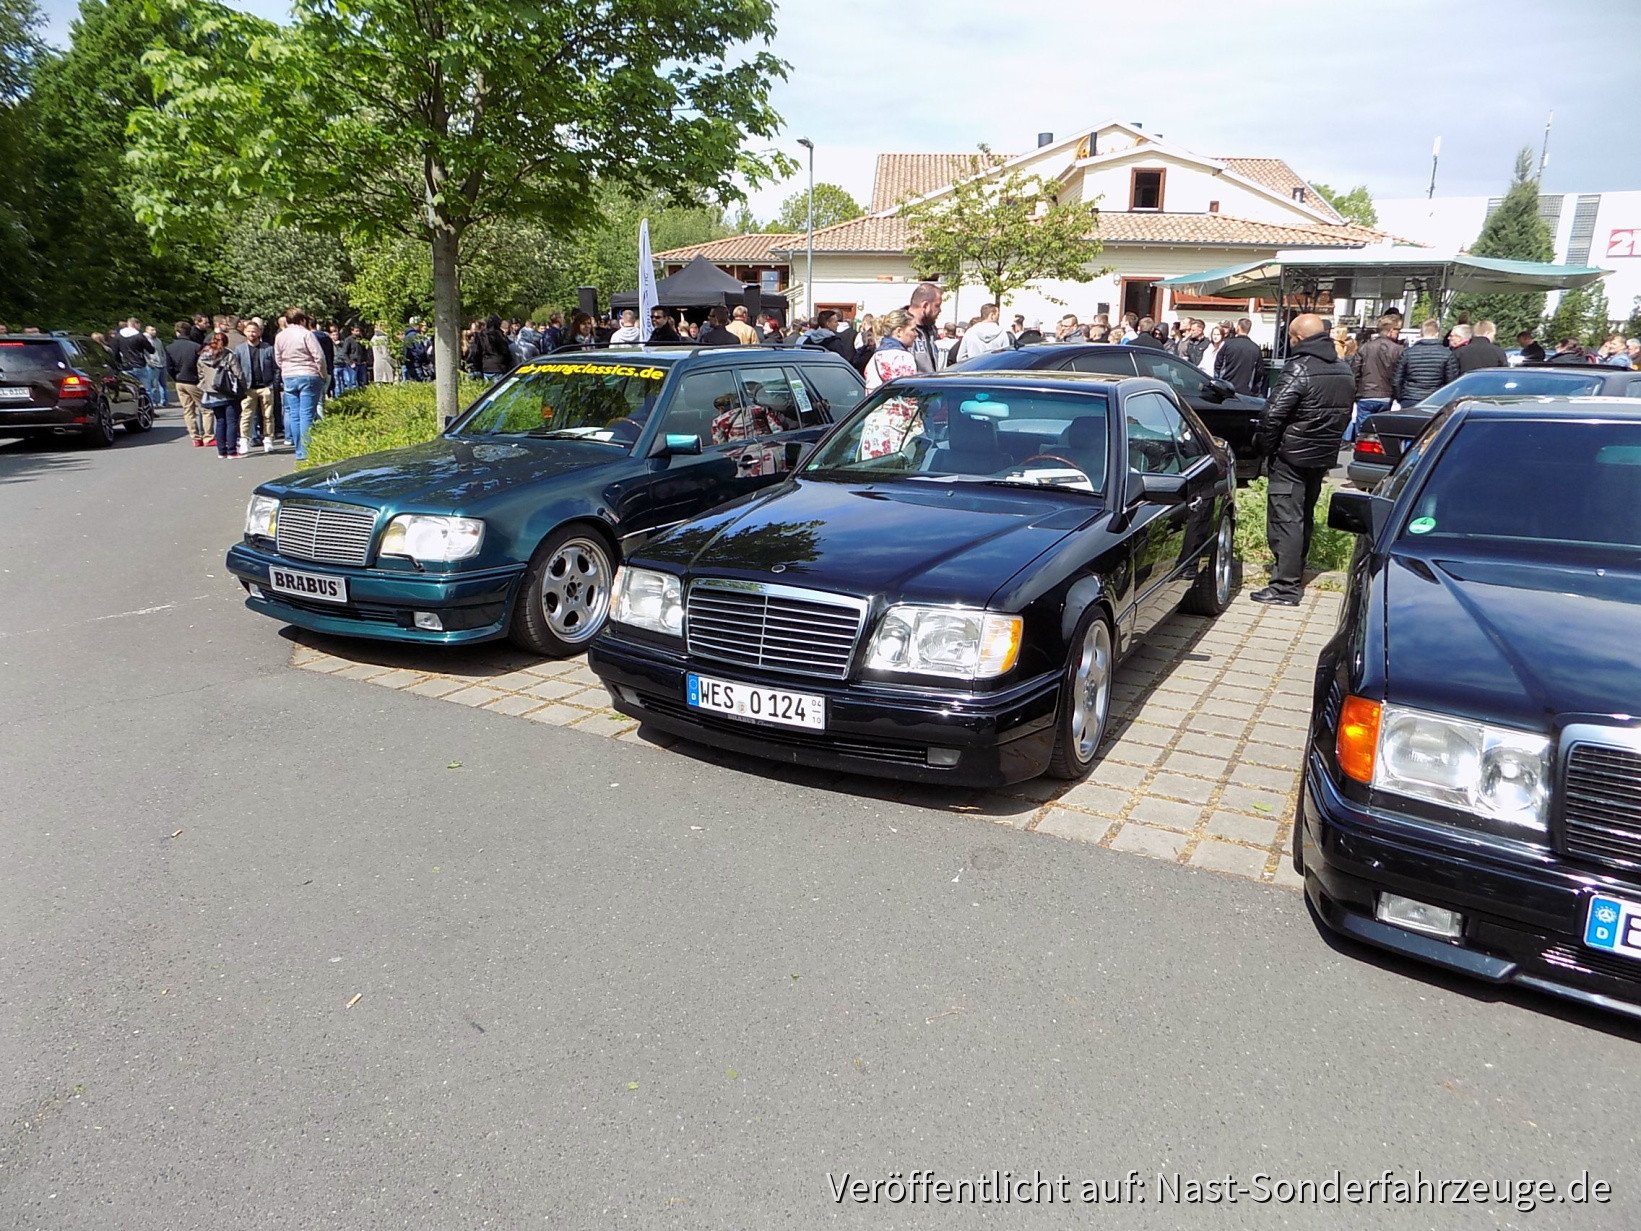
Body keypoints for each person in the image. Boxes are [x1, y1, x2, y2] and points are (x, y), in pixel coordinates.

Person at [1250, 313, 1353, 606]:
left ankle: (1285, 587)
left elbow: (1273, 414)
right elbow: (1345, 412)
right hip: (1321, 454)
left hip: (1291, 455)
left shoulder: (1299, 367)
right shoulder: (1342, 367)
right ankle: (1294, 571)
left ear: (1296, 338)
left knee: (1286, 519)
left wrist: (1265, 447)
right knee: (1303, 515)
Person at [273, 308, 327, 461]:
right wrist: (322, 374)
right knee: (307, 415)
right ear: (302, 320)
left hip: (289, 376)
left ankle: (299, 451)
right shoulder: (306, 334)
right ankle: (307, 450)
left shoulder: (280, 336)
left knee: (294, 414)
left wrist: (286, 369)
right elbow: (319, 356)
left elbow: (278, 358)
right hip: (308, 374)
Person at [1348, 313, 1403, 441]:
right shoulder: (1398, 349)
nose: (1398, 333)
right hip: (1386, 395)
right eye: (1397, 330)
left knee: (1363, 431)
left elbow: (1355, 371)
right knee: (1381, 430)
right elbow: (1400, 374)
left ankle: (1361, 450)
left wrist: (1354, 392)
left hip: (1366, 395)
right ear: (1391, 330)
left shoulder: (1365, 347)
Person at [197, 332, 246, 460]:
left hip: (212, 392)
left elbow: (201, 374)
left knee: (220, 421)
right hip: (228, 392)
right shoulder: (228, 355)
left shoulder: (202, 356)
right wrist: (243, 388)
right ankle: (232, 451)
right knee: (232, 422)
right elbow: (238, 374)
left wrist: (207, 385)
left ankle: (221, 451)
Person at [234, 321, 278, 454]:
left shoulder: (268, 348)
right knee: (246, 415)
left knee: (268, 415)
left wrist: (274, 383)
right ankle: (244, 441)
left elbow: (276, 367)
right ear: (244, 332)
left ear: (259, 332)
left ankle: (268, 439)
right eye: (249, 331)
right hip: (248, 387)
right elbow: (236, 369)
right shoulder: (240, 349)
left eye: (254, 331)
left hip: (266, 386)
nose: (252, 333)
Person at [1392, 319, 1458, 405]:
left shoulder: (1408, 353)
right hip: (1435, 399)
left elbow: (1396, 380)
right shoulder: (1447, 354)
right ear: (1437, 333)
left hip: (1410, 397)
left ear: (1421, 334)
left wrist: (1400, 397)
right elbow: (1451, 382)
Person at [165, 320, 208, 446]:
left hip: (180, 381)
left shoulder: (169, 347)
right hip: (194, 381)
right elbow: (202, 365)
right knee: (205, 409)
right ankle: (208, 436)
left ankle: (195, 437)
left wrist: (176, 377)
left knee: (188, 411)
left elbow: (169, 367)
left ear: (177, 332)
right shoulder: (196, 346)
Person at [863, 308, 919, 392]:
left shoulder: (875, 357)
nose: (916, 334)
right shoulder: (904, 358)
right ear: (899, 331)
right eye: (913, 329)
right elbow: (909, 393)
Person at [1214, 318, 1264, 396]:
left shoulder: (1228, 344)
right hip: (1245, 391)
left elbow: (1218, 365)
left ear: (1238, 327)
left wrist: (1218, 384)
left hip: (1226, 389)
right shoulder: (1256, 348)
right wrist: (1254, 391)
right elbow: (1259, 373)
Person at [907, 282, 945, 373]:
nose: (940, 310)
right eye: (937, 306)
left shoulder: (931, 329)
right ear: (925, 306)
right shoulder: (901, 329)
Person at [140, 324, 168, 408]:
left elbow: (162, 351)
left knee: (163, 385)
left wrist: (164, 360)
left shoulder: (158, 340)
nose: (154, 332)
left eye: (154, 330)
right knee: (153, 386)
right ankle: (154, 402)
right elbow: (144, 353)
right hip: (152, 365)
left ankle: (164, 401)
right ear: (147, 330)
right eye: (152, 330)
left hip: (161, 364)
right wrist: (149, 362)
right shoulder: (144, 340)